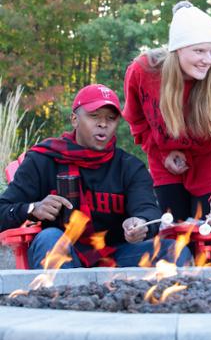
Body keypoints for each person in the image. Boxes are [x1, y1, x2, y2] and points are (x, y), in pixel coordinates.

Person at [0, 84, 193, 269]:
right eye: (94, 116)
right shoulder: (43, 160)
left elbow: (148, 210)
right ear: (75, 119)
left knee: (174, 251)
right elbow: (3, 210)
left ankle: (163, 303)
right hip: (62, 251)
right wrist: (33, 208)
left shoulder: (129, 167)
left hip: (116, 254)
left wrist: (140, 223)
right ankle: (62, 301)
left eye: (111, 118)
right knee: (49, 237)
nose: (103, 124)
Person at [123, 1, 211, 258]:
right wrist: (159, 152)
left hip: (208, 166)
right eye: (199, 51)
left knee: (206, 243)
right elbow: (137, 121)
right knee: (173, 240)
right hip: (165, 164)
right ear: (177, 49)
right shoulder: (143, 72)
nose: (207, 60)